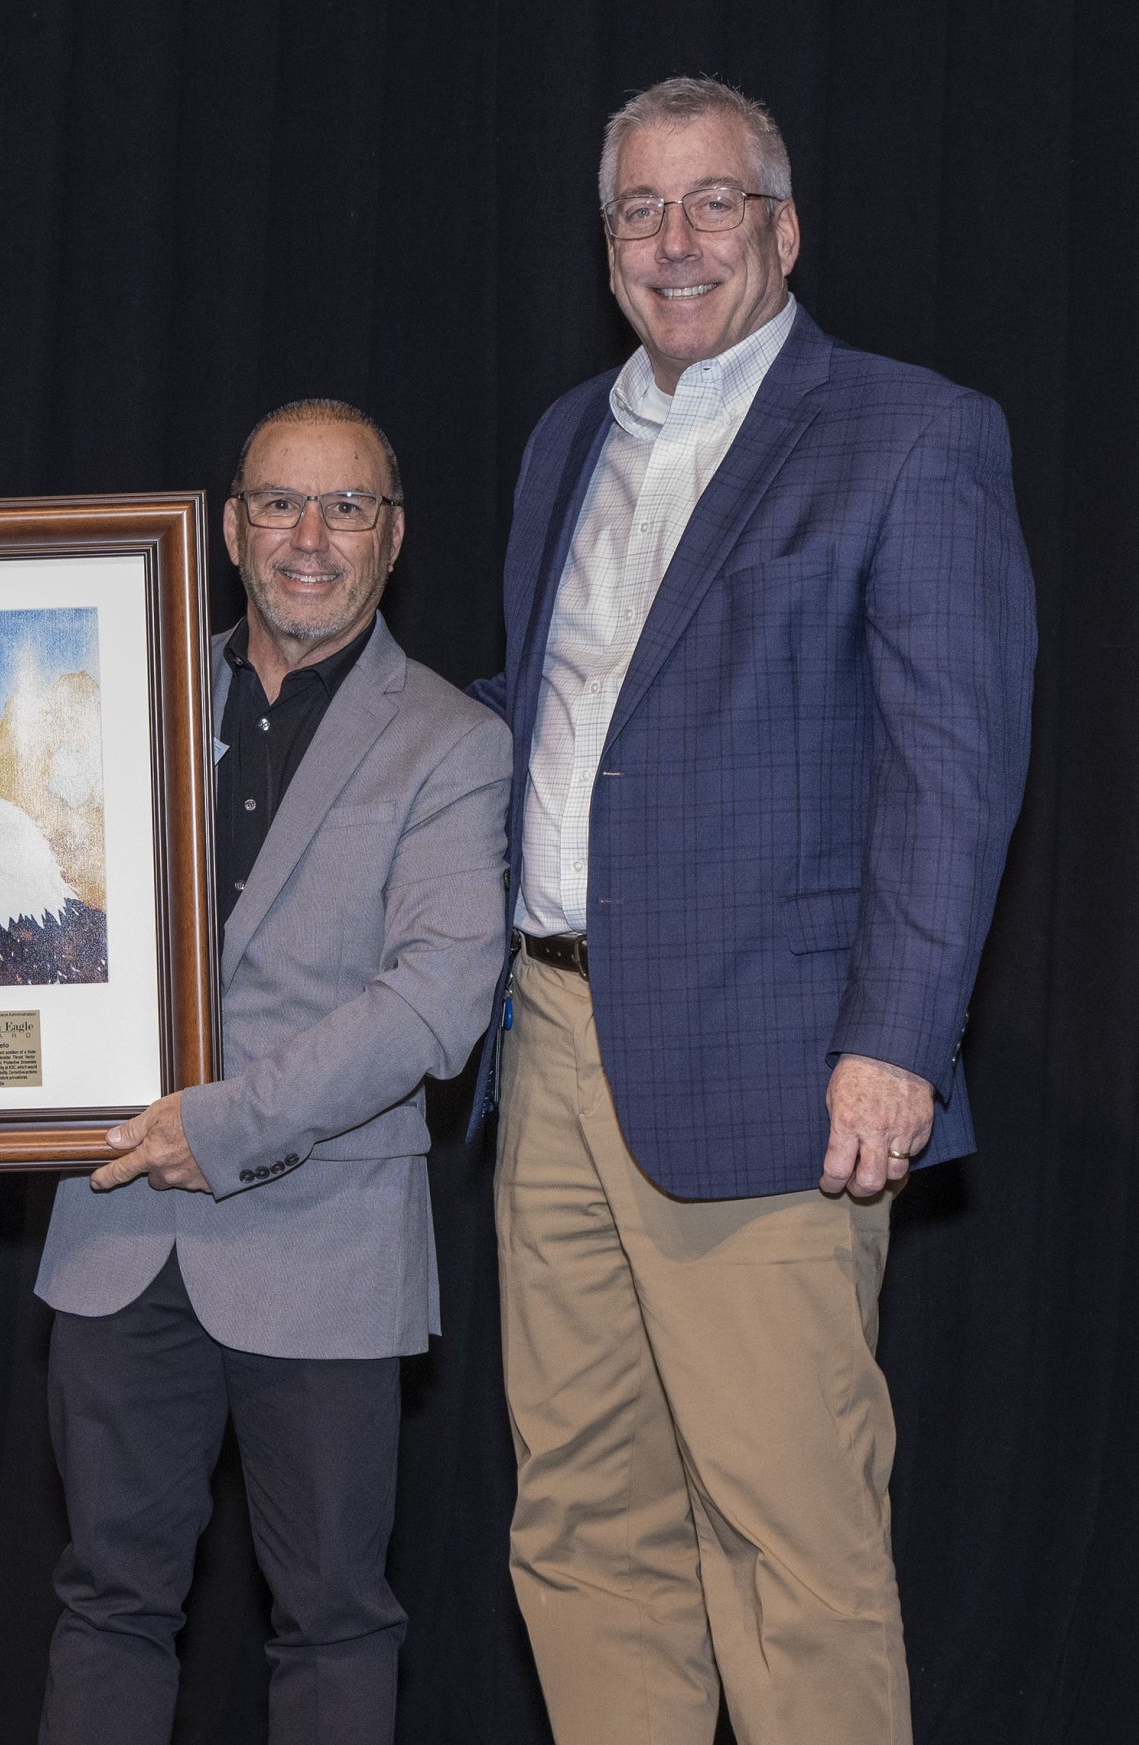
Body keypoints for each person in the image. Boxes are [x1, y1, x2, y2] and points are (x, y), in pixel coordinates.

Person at [0, 400, 507, 1741]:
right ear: (228, 526)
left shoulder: (454, 743)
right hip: (116, 1235)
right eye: (277, 503)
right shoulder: (107, 704)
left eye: (345, 508)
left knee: (333, 1614)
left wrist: (227, 1124)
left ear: (394, 536)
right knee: (107, 1601)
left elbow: (432, 1006)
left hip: (321, 1240)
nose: (308, 538)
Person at [470, 77, 1036, 1743]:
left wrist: (896, 1044)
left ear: (784, 230)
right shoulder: (564, 438)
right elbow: (544, 725)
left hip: (782, 1068)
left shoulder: (914, 434)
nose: (675, 238)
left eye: (714, 201)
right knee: (580, 1520)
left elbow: (956, 767)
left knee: (790, 1530)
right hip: (553, 1046)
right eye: (639, 209)